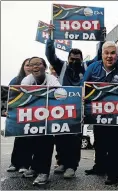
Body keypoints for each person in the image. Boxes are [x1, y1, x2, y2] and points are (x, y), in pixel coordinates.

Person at [45, 24, 101, 179]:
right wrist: (51, 37)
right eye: (72, 59)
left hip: (79, 109)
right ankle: (62, 162)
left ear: (82, 59)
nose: (75, 61)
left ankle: (72, 166)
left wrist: (101, 39)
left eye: (77, 59)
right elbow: (50, 55)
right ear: (68, 59)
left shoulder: (86, 66)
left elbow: (99, 57)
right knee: (61, 136)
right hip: (61, 107)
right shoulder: (61, 66)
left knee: (75, 139)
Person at [82, 41, 118, 185]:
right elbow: (84, 86)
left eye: (112, 53)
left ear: (117, 54)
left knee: (117, 145)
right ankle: (100, 167)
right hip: (99, 116)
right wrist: (83, 97)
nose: (109, 56)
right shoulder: (92, 68)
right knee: (100, 143)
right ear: (101, 54)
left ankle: (114, 174)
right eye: (106, 53)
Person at [20, 56, 60, 185]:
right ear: (30, 69)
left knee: (46, 143)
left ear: (45, 67)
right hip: (33, 119)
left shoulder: (52, 80)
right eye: (32, 64)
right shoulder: (26, 80)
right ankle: (35, 168)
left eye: (38, 64)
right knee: (33, 143)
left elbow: (60, 96)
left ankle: (44, 172)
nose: (35, 66)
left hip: (49, 118)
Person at [7, 58, 33, 173]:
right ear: (23, 67)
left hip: (34, 115)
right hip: (19, 114)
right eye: (27, 65)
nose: (29, 67)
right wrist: (5, 110)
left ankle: (25, 165)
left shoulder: (37, 80)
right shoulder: (15, 80)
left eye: (31, 65)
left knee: (29, 140)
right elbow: (7, 95)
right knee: (19, 139)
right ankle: (14, 163)